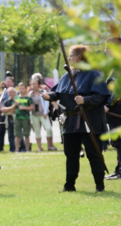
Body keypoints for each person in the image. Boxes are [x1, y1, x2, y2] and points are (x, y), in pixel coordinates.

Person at [42, 45, 111, 192]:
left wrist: (86, 100)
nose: (69, 58)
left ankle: (99, 185)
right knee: (71, 154)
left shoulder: (94, 74)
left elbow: (101, 96)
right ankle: (69, 185)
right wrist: (49, 96)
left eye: (72, 55)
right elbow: (58, 93)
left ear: (80, 56)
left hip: (89, 121)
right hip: (70, 121)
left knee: (94, 153)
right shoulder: (68, 75)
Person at [105, 37, 121, 180]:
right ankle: (118, 168)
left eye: (108, 47)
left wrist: (108, 105)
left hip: (117, 108)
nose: (105, 50)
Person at [29, 74, 57, 151]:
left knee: (48, 128)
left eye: (35, 84)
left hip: (43, 114)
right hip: (34, 115)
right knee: (37, 131)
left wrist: (45, 112)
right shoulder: (30, 94)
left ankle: (50, 146)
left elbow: (47, 103)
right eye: (32, 84)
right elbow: (29, 104)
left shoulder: (43, 91)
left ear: (38, 84)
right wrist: (29, 96)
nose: (34, 85)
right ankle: (39, 147)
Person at [0, 73, 16, 152]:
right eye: (7, 82)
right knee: (0, 131)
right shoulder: (1, 94)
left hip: (12, 114)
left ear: (13, 83)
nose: (8, 84)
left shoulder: (16, 93)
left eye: (9, 82)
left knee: (12, 132)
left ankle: (13, 148)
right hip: (3, 115)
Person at [13, 82, 34, 152]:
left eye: (22, 88)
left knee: (26, 134)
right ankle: (16, 149)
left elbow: (32, 107)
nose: (21, 90)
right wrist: (15, 105)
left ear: (25, 89)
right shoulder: (16, 98)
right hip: (17, 118)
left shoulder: (28, 98)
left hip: (26, 118)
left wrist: (23, 108)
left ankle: (27, 149)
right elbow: (12, 109)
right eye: (20, 88)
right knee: (17, 135)